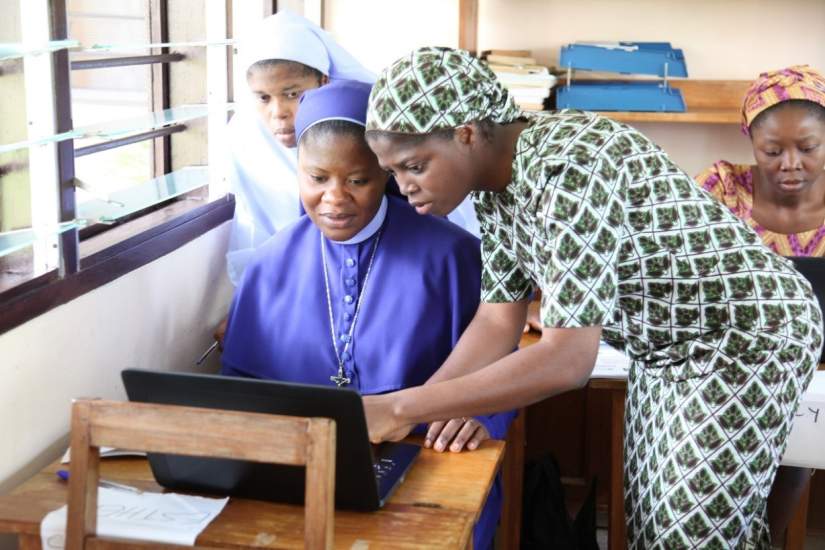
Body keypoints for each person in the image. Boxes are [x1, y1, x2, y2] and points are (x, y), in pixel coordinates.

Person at [362, 47, 823, 549]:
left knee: (689, 536)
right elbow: (498, 321)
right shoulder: (496, 191)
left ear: (466, 134)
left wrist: (401, 408)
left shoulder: (570, 165)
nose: (404, 187)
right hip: (666, 348)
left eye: (414, 166)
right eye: (394, 173)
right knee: (651, 528)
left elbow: (567, 361)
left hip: (749, 335)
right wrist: (401, 415)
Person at [220, 80, 513, 549]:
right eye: (317, 178)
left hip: (431, 462)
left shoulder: (453, 256)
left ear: (387, 175)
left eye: (357, 180)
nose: (335, 198)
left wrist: (480, 414)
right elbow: (237, 393)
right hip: (301, 474)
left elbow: (501, 364)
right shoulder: (268, 265)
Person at [695, 64, 825, 544]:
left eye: (808, 149)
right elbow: (672, 266)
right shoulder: (723, 190)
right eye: (772, 151)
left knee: (794, 446)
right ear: (749, 139)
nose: (790, 163)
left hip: (815, 380)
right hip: (729, 367)